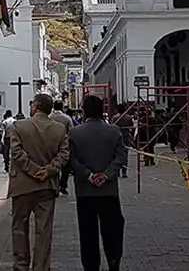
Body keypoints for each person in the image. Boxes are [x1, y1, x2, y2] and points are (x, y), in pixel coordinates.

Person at [6, 94, 70, 271]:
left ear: (34, 106)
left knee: (19, 226)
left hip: (22, 185)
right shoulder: (59, 129)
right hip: (46, 185)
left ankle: (21, 264)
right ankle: (41, 266)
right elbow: (64, 155)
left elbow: (16, 153)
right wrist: (49, 170)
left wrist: (33, 170)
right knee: (44, 230)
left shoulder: (19, 126)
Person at [70, 94, 128, 271]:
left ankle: (91, 266)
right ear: (103, 110)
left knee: (88, 233)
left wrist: (88, 175)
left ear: (84, 111)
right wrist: (106, 175)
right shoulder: (114, 131)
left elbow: (71, 160)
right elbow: (121, 156)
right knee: (112, 229)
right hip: (108, 190)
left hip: (85, 191)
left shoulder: (74, 133)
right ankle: (113, 261)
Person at [49, 100, 73, 195]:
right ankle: (63, 184)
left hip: (51, 144)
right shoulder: (67, 118)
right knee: (66, 166)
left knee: (53, 164)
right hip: (64, 144)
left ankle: (55, 185)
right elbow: (71, 131)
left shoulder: (50, 118)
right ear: (62, 107)